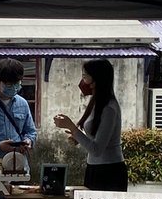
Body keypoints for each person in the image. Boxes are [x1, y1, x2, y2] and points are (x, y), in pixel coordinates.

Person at [53, 59, 128, 191]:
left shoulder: (109, 108)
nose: (82, 81)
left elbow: (97, 149)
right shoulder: (96, 103)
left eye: (85, 76)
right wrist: (78, 137)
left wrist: (72, 127)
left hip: (109, 172)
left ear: (97, 79)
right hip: (94, 168)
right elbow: (95, 140)